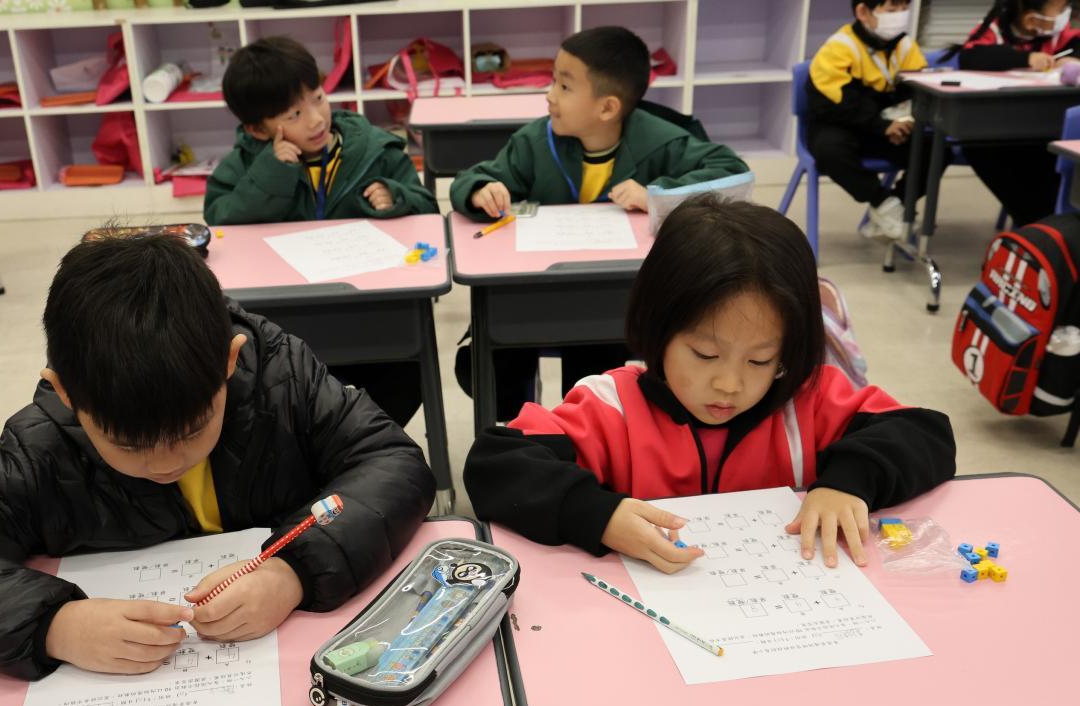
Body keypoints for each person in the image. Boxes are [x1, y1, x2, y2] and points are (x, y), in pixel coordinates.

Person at [0, 234, 435, 680]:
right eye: (130, 443)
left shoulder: (281, 381)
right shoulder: (44, 447)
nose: (165, 463)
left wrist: (293, 572)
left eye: (191, 429)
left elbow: (393, 462)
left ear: (229, 362)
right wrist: (54, 624)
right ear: (66, 394)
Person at [464, 196, 956, 573]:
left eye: (761, 360)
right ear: (658, 331)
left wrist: (848, 482)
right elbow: (495, 463)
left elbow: (925, 432)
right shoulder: (612, 408)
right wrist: (597, 514)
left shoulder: (807, 400)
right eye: (704, 354)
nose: (729, 384)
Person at [450, 25, 749, 422]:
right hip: (539, 291)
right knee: (488, 363)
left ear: (607, 108)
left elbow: (733, 173)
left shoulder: (661, 140)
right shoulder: (535, 142)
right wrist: (481, 190)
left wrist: (655, 193)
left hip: (617, 296)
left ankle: (588, 431)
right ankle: (524, 425)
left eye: (564, 86)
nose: (549, 95)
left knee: (593, 370)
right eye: (553, 81)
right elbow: (472, 178)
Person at [203, 36, 439, 426]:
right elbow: (220, 221)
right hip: (285, 319)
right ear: (259, 129)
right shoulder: (243, 165)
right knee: (268, 386)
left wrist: (396, 198)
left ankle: (359, 439)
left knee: (407, 374)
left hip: (369, 312)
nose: (315, 119)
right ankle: (323, 440)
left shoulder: (374, 150)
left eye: (319, 98)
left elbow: (427, 211)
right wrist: (271, 174)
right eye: (294, 114)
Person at [807, 0, 941, 242]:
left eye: (904, 9)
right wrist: (882, 126)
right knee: (829, 150)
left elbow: (918, 92)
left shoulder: (905, 45)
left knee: (936, 149)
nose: (900, 16)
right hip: (842, 124)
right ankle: (882, 202)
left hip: (888, 124)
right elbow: (837, 105)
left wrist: (906, 120)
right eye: (891, 10)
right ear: (862, 12)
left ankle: (898, 205)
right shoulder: (839, 47)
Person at [955, 0, 1080, 225]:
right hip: (995, 130)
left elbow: (1076, 46)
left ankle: (1051, 222)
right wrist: (1026, 58)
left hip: (1046, 127)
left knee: (1054, 159)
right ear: (1031, 19)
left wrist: (1073, 60)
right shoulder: (994, 29)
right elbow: (970, 57)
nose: (1065, 14)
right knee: (986, 153)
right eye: (1060, 10)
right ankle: (1038, 224)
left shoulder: (1059, 33)